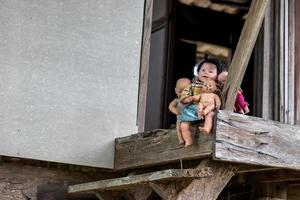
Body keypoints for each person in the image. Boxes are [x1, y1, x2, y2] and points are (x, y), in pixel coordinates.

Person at [180, 55, 224, 147]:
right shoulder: (192, 85)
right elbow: (186, 93)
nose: (206, 73)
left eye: (210, 71)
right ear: (198, 72)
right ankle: (188, 140)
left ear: (217, 76)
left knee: (210, 115)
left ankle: (206, 128)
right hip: (194, 108)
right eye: (203, 70)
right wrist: (186, 98)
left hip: (208, 109)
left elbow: (221, 97)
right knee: (183, 123)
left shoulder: (218, 88)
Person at [168, 78, 191, 144]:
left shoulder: (191, 99)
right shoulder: (177, 100)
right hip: (180, 117)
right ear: (175, 90)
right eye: (180, 92)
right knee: (178, 128)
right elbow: (171, 106)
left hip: (189, 117)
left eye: (186, 92)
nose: (183, 94)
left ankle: (187, 139)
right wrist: (176, 111)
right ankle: (180, 139)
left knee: (188, 128)